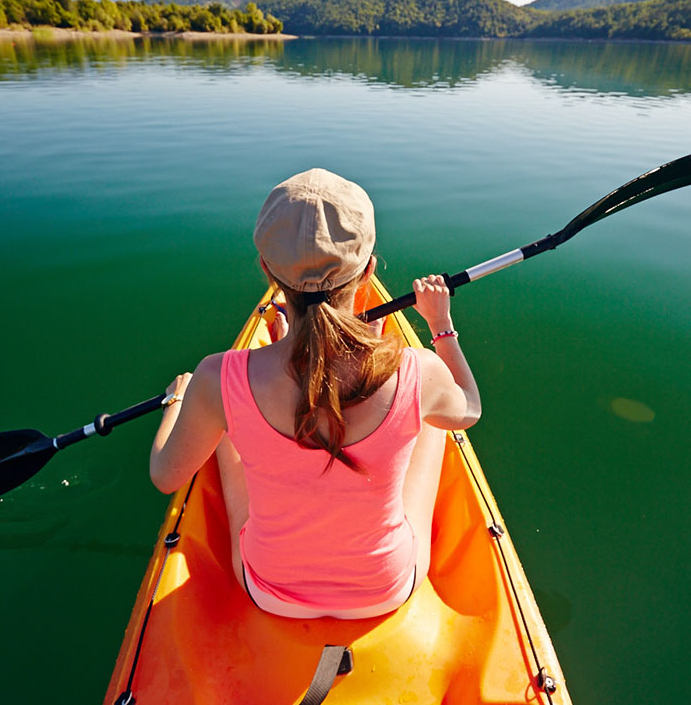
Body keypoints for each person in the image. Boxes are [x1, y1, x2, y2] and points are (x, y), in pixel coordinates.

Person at [149, 168, 482, 619]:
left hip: (267, 590)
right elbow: (469, 409)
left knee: (227, 418)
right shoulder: (417, 369)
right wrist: (441, 328)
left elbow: (166, 476)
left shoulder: (215, 377)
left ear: (268, 271)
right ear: (367, 269)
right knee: (433, 414)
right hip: (385, 589)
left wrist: (179, 400)